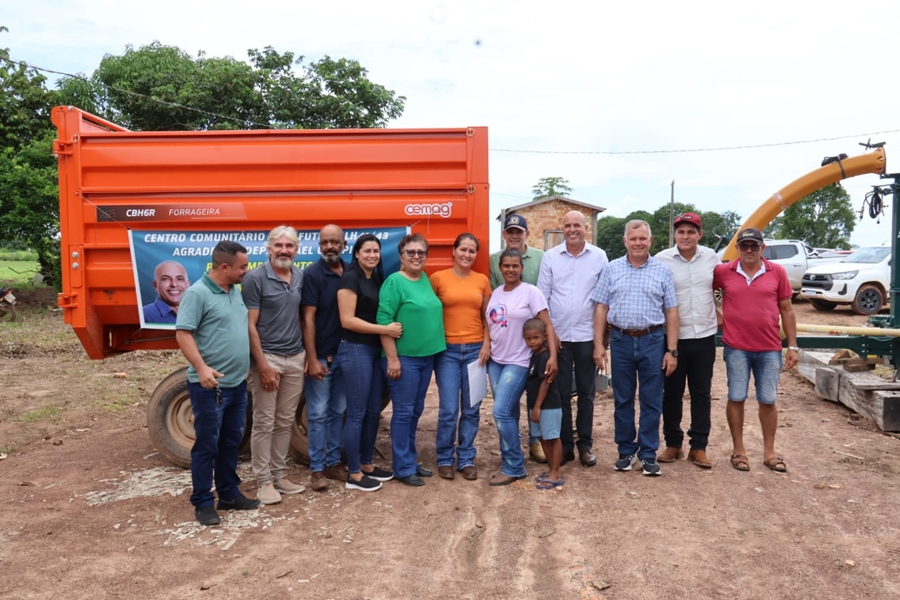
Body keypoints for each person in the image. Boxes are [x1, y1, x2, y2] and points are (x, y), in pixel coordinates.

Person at [175, 240, 257, 525]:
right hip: (210, 387)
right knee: (207, 445)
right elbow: (183, 334)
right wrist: (202, 368)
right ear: (225, 267)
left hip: (236, 385)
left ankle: (229, 494)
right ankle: (202, 502)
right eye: (243, 267)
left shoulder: (234, 290)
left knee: (230, 442)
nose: (246, 271)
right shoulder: (197, 294)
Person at [592, 220, 679, 477]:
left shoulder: (662, 271)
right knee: (623, 399)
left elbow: (671, 311)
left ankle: (649, 453)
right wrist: (599, 344)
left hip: (653, 340)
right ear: (625, 241)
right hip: (620, 341)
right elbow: (601, 308)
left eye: (643, 238)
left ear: (650, 241)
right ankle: (626, 451)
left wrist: (671, 350)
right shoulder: (612, 269)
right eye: (633, 238)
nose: (638, 243)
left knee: (652, 399)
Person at [713, 227, 799, 473]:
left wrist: (792, 345)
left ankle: (769, 453)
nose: (749, 250)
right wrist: (718, 313)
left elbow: (787, 309)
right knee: (736, 396)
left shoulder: (777, 272)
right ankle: (738, 451)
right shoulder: (723, 271)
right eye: (744, 246)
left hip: (770, 347)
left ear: (762, 248)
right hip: (736, 347)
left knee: (768, 399)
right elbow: (702, 290)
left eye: (754, 245)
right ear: (737, 248)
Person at [241, 226, 306, 506]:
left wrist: (305, 356)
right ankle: (263, 481)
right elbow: (250, 326)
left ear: (296, 250)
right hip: (269, 358)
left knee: (284, 421)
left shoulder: (300, 276)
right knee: (264, 421)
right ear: (268, 249)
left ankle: (279, 476)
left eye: (289, 246)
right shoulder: (256, 278)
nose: (283, 250)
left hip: (295, 358)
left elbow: (302, 317)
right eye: (278, 245)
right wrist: (263, 365)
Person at [537, 210, 608, 467]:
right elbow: (543, 297)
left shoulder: (599, 257)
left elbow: (604, 300)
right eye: (567, 225)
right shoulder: (551, 257)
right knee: (562, 392)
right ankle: (566, 446)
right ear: (562, 229)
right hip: (560, 338)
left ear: (585, 228)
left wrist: (601, 342)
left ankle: (585, 446)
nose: (572, 229)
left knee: (588, 393)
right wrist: (550, 335)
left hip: (588, 335)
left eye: (577, 225)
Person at [378, 233, 446, 487]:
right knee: (404, 412)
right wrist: (393, 359)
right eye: (411, 252)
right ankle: (403, 467)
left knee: (415, 411)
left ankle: (408, 459)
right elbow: (384, 321)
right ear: (401, 256)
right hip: (404, 359)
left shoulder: (424, 278)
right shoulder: (394, 282)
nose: (416, 256)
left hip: (426, 358)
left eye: (421, 253)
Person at [485, 249, 558, 486]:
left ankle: (514, 467)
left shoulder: (530, 292)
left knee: (500, 412)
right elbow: (489, 324)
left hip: (519, 361)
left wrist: (553, 356)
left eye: (515, 266)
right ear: (500, 268)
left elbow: (547, 324)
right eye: (506, 265)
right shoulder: (496, 293)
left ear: (521, 268)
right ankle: (511, 456)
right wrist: (486, 345)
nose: (510, 270)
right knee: (510, 412)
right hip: (496, 361)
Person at [337, 234, 402, 492]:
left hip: (373, 352)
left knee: (374, 410)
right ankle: (353, 474)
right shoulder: (350, 278)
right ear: (356, 253)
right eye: (367, 251)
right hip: (354, 350)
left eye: (376, 251)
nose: (373, 255)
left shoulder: (375, 277)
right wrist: (383, 329)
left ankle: (366, 463)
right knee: (357, 413)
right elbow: (347, 320)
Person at [654, 213, 719, 469]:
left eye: (691, 232)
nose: (685, 236)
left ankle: (699, 447)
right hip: (674, 338)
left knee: (701, 393)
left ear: (699, 235)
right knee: (672, 393)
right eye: (681, 232)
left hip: (703, 334)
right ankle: (673, 444)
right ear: (675, 235)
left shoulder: (712, 259)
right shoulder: (662, 260)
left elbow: (724, 287)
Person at [430, 233, 492, 481]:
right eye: (463, 249)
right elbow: (429, 313)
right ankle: (445, 458)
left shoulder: (482, 281)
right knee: (447, 409)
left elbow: (488, 317)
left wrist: (486, 345)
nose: (467, 254)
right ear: (453, 251)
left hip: (475, 351)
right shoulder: (437, 279)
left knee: (472, 408)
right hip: (447, 352)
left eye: (472, 251)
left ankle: (466, 458)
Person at [489, 213, 547, 464]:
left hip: (528, 347)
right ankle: (510, 454)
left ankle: (532, 445)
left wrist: (547, 346)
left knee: (531, 398)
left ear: (526, 233)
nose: (514, 235)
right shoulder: (493, 262)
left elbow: (545, 311)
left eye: (518, 231)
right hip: (499, 349)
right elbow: (489, 303)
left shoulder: (541, 259)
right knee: (507, 406)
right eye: (509, 231)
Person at [301, 225, 350, 491]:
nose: (329, 246)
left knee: (339, 411)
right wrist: (312, 357)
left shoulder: (351, 270)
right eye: (324, 242)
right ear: (319, 245)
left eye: (334, 242)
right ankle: (317, 470)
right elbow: (307, 318)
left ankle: (333, 463)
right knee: (318, 413)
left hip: (347, 355)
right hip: (322, 355)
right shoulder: (313, 273)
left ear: (344, 244)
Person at [524, 318, 564, 490]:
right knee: (542, 438)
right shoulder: (534, 355)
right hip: (537, 406)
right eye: (528, 339)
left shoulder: (546, 357)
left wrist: (538, 406)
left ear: (545, 337)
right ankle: (551, 469)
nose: (532, 342)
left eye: (536, 338)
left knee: (552, 438)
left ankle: (555, 472)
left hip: (548, 406)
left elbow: (545, 383)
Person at [142, 260, 189, 324]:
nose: (174, 284)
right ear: (155, 285)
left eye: (180, 279)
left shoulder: (200, 313)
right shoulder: (143, 315)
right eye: (166, 279)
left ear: (188, 285)